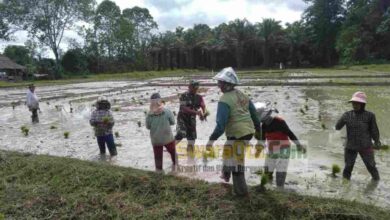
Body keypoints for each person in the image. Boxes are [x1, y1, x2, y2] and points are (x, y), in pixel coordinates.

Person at [207, 67, 261, 196]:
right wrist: (259, 135)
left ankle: (242, 194)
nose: (218, 85)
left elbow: (220, 126)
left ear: (226, 85)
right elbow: (255, 116)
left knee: (237, 165)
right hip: (248, 132)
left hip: (238, 134)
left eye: (220, 83)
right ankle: (225, 175)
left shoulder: (224, 100)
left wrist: (211, 140)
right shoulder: (242, 95)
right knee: (228, 150)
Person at [255, 102, 306, 188]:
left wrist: (298, 145)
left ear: (267, 116)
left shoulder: (280, 122)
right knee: (267, 172)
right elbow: (262, 140)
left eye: (264, 120)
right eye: (262, 121)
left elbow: (290, 134)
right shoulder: (263, 126)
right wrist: (258, 150)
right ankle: (267, 187)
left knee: (280, 173)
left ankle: (280, 189)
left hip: (284, 150)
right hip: (271, 151)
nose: (264, 122)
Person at [336, 91, 381, 181]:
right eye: (353, 103)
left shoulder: (370, 116)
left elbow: (374, 130)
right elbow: (337, 127)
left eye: (357, 103)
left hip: (366, 146)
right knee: (348, 167)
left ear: (362, 104)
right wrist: (342, 119)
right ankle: (345, 186)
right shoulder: (347, 115)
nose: (355, 105)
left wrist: (377, 141)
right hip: (350, 146)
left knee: (371, 166)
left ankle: (376, 182)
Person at [175, 80, 206, 158]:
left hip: (191, 119)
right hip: (182, 118)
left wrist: (203, 115)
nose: (195, 89)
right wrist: (195, 112)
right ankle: (170, 147)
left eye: (196, 88)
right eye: (193, 87)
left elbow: (203, 105)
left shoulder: (199, 97)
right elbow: (183, 108)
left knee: (192, 138)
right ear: (189, 87)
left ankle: (190, 157)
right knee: (181, 134)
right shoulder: (183, 96)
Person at [146, 93, 177, 172]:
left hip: (156, 140)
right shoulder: (167, 111)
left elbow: (148, 127)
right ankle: (176, 169)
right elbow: (173, 122)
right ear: (160, 101)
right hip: (168, 138)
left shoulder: (149, 114)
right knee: (173, 154)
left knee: (158, 159)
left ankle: (159, 174)